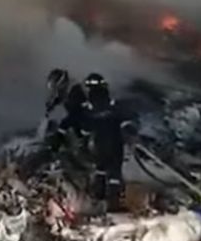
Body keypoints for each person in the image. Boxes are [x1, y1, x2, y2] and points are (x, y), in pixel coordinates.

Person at [82, 72, 138, 211]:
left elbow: (85, 127)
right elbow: (125, 116)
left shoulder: (88, 107)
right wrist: (129, 129)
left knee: (100, 169)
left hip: (99, 143)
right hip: (115, 140)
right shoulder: (111, 103)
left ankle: (99, 199)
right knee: (114, 171)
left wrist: (84, 143)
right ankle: (113, 203)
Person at [44, 68, 89, 155]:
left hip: (84, 119)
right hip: (77, 116)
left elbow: (77, 112)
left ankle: (82, 148)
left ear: (61, 83)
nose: (55, 90)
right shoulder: (66, 89)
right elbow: (60, 97)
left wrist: (63, 127)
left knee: (72, 129)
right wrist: (52, 104)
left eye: (56, 87)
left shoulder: (75, 90)